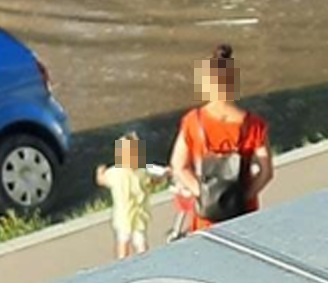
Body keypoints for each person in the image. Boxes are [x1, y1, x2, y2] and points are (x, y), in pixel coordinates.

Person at [169, 44, 274, 234]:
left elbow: (179, 166)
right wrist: (244, 197)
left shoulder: (193, 121)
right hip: (244, 213)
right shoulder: (254, 125)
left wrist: (203, 193)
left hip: (207, 215)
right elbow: (266, 172)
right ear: (234, 83)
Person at [96, 132, 152, 259]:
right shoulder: (142, 173)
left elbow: (102, 180)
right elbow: (151, 182)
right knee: (140, 242)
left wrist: (100, 172)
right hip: (139, 215)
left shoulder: (115, 173)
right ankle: (146, 263)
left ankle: (122, 264)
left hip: (123, 216)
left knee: (123, 241)